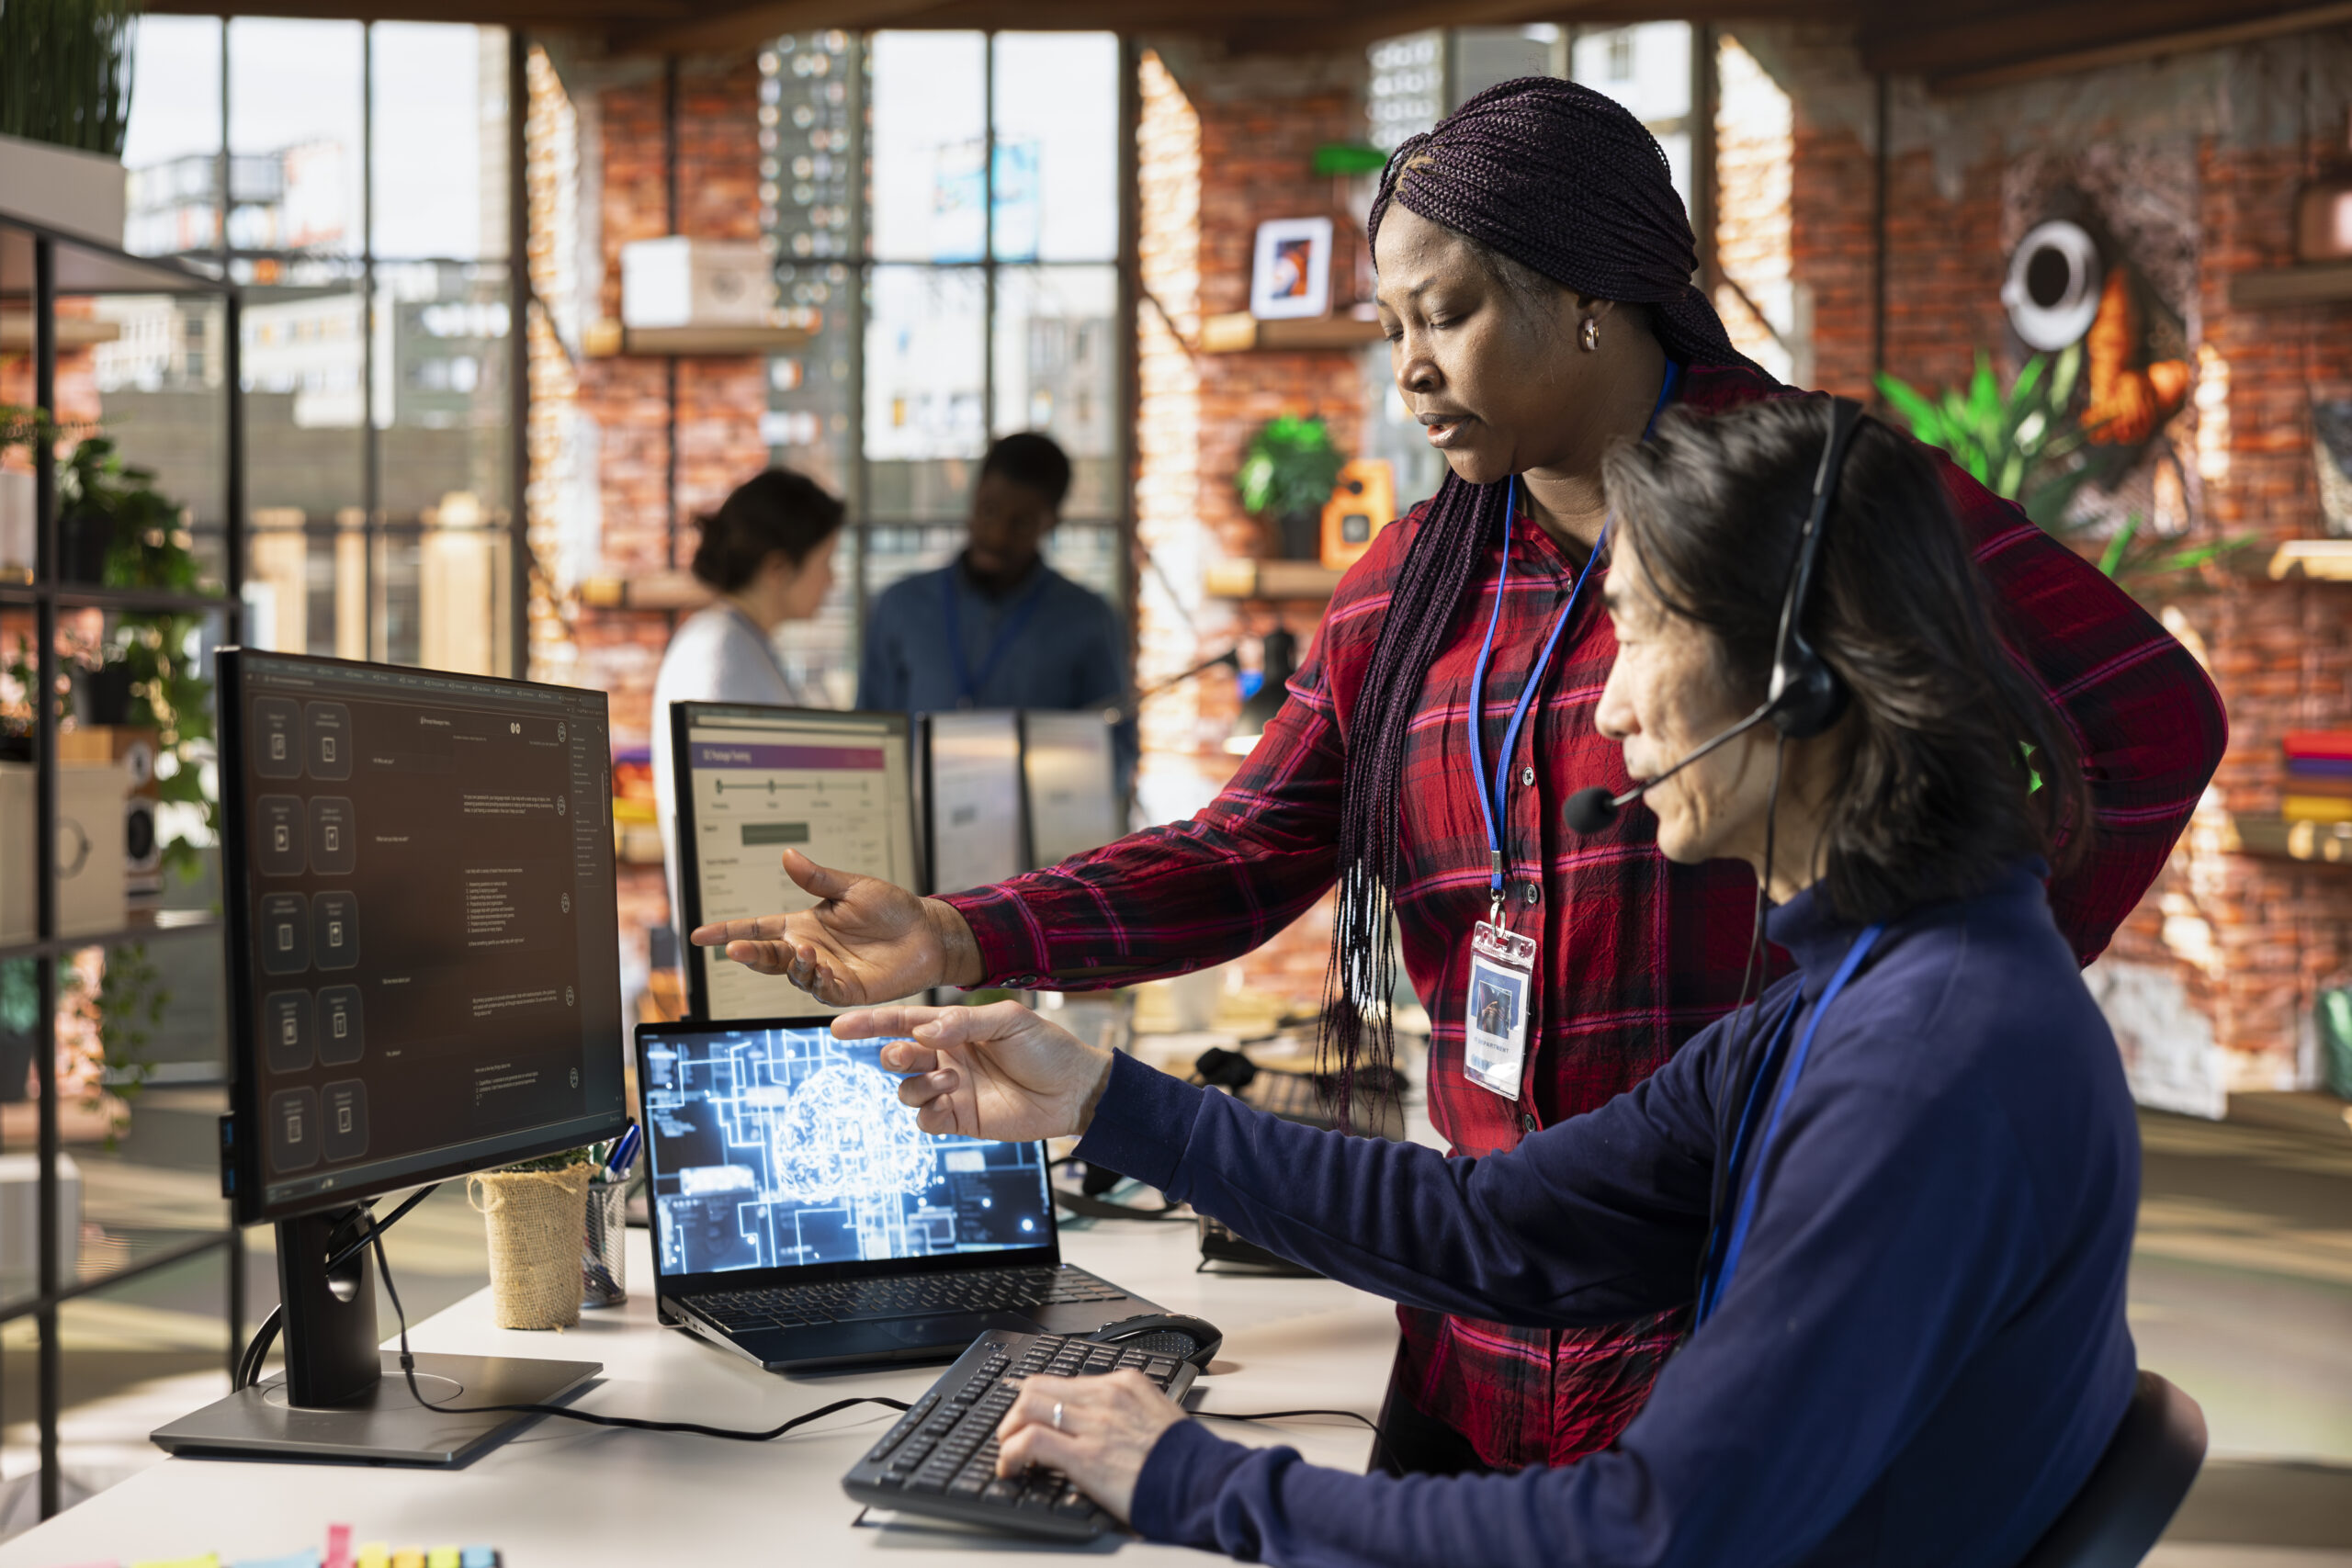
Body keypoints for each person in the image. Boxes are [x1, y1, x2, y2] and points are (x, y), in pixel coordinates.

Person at [695, 78, 2223, 1475]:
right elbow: (1247, 850)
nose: (1413, 372)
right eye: (1391, 330)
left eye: (1451, 314)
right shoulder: (1410, 585)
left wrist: (1915, 998)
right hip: (1483, 1290)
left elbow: (2151, 719)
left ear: (1591, 302)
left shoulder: (1810, 504)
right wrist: (967, 933)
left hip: (1741, 1290)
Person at [835, 396, 2141, 1568]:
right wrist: (1109, 1100)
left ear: (1792, 682)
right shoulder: (1860, 990)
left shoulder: (1921, 1058)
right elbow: (1501, 1227)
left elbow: (1645, 1532)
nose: (1611, 708)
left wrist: (1187, 1475)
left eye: (1637, 633)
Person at [857, 431, 1136, 795]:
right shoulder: (900, 606)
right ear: (973, 497)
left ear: (1050, 521)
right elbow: (868, 738)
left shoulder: (1088, 618)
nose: (997, 535)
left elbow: (1116, 751)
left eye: (1020, 523)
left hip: (1037, 845)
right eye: (988, 511)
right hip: (915, 838)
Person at [650, 467, 844, 931]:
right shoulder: (720, 654)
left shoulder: (744, 644)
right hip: (743, 935)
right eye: (826, 561)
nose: (832, 580)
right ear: (779, 568)